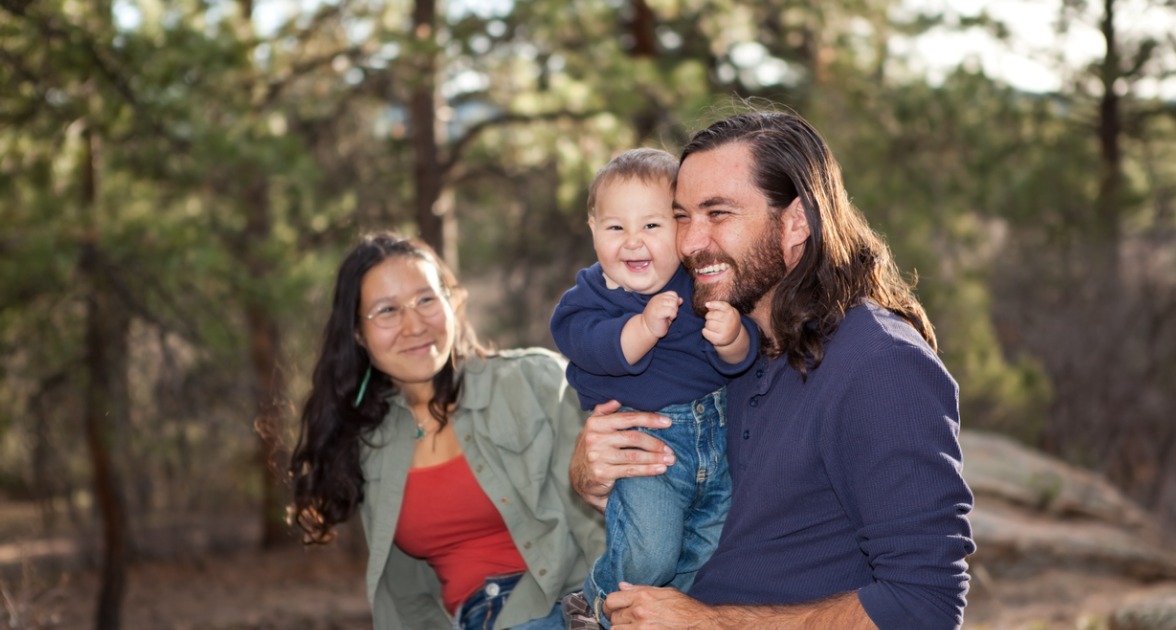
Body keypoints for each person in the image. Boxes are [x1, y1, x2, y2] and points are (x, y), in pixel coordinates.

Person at [569, 109, 976, 629]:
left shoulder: (881, 366)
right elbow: (713, 517)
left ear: (796, 223)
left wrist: (709, 625)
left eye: (718, 214)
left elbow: (926, 605)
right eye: (682, 216)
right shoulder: (719, 344)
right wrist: (595, 476)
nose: (690, 242)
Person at [289, 232, 605, 630]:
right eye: (387, 311)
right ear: (357, 335)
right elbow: (408, 598)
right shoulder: (371, 445)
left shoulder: (536, 381)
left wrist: (617, 610)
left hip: (568, 609)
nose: (413, 325)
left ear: (452, 301)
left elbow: (607, 518)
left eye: (425, 299)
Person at [549, 148, 759, 627]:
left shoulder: (699, 287)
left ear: (681, 232)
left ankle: (650, 617)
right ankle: (599, 601)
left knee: (708, 550)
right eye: (616, 227)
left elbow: (738, 361)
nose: (632, 243)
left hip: (716, 443)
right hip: (650, 452)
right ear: (593, 229)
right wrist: (643, 326)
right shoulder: (588, 299)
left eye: (652, 226)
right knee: (652, 553)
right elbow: (597, 348)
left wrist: (732, 338)